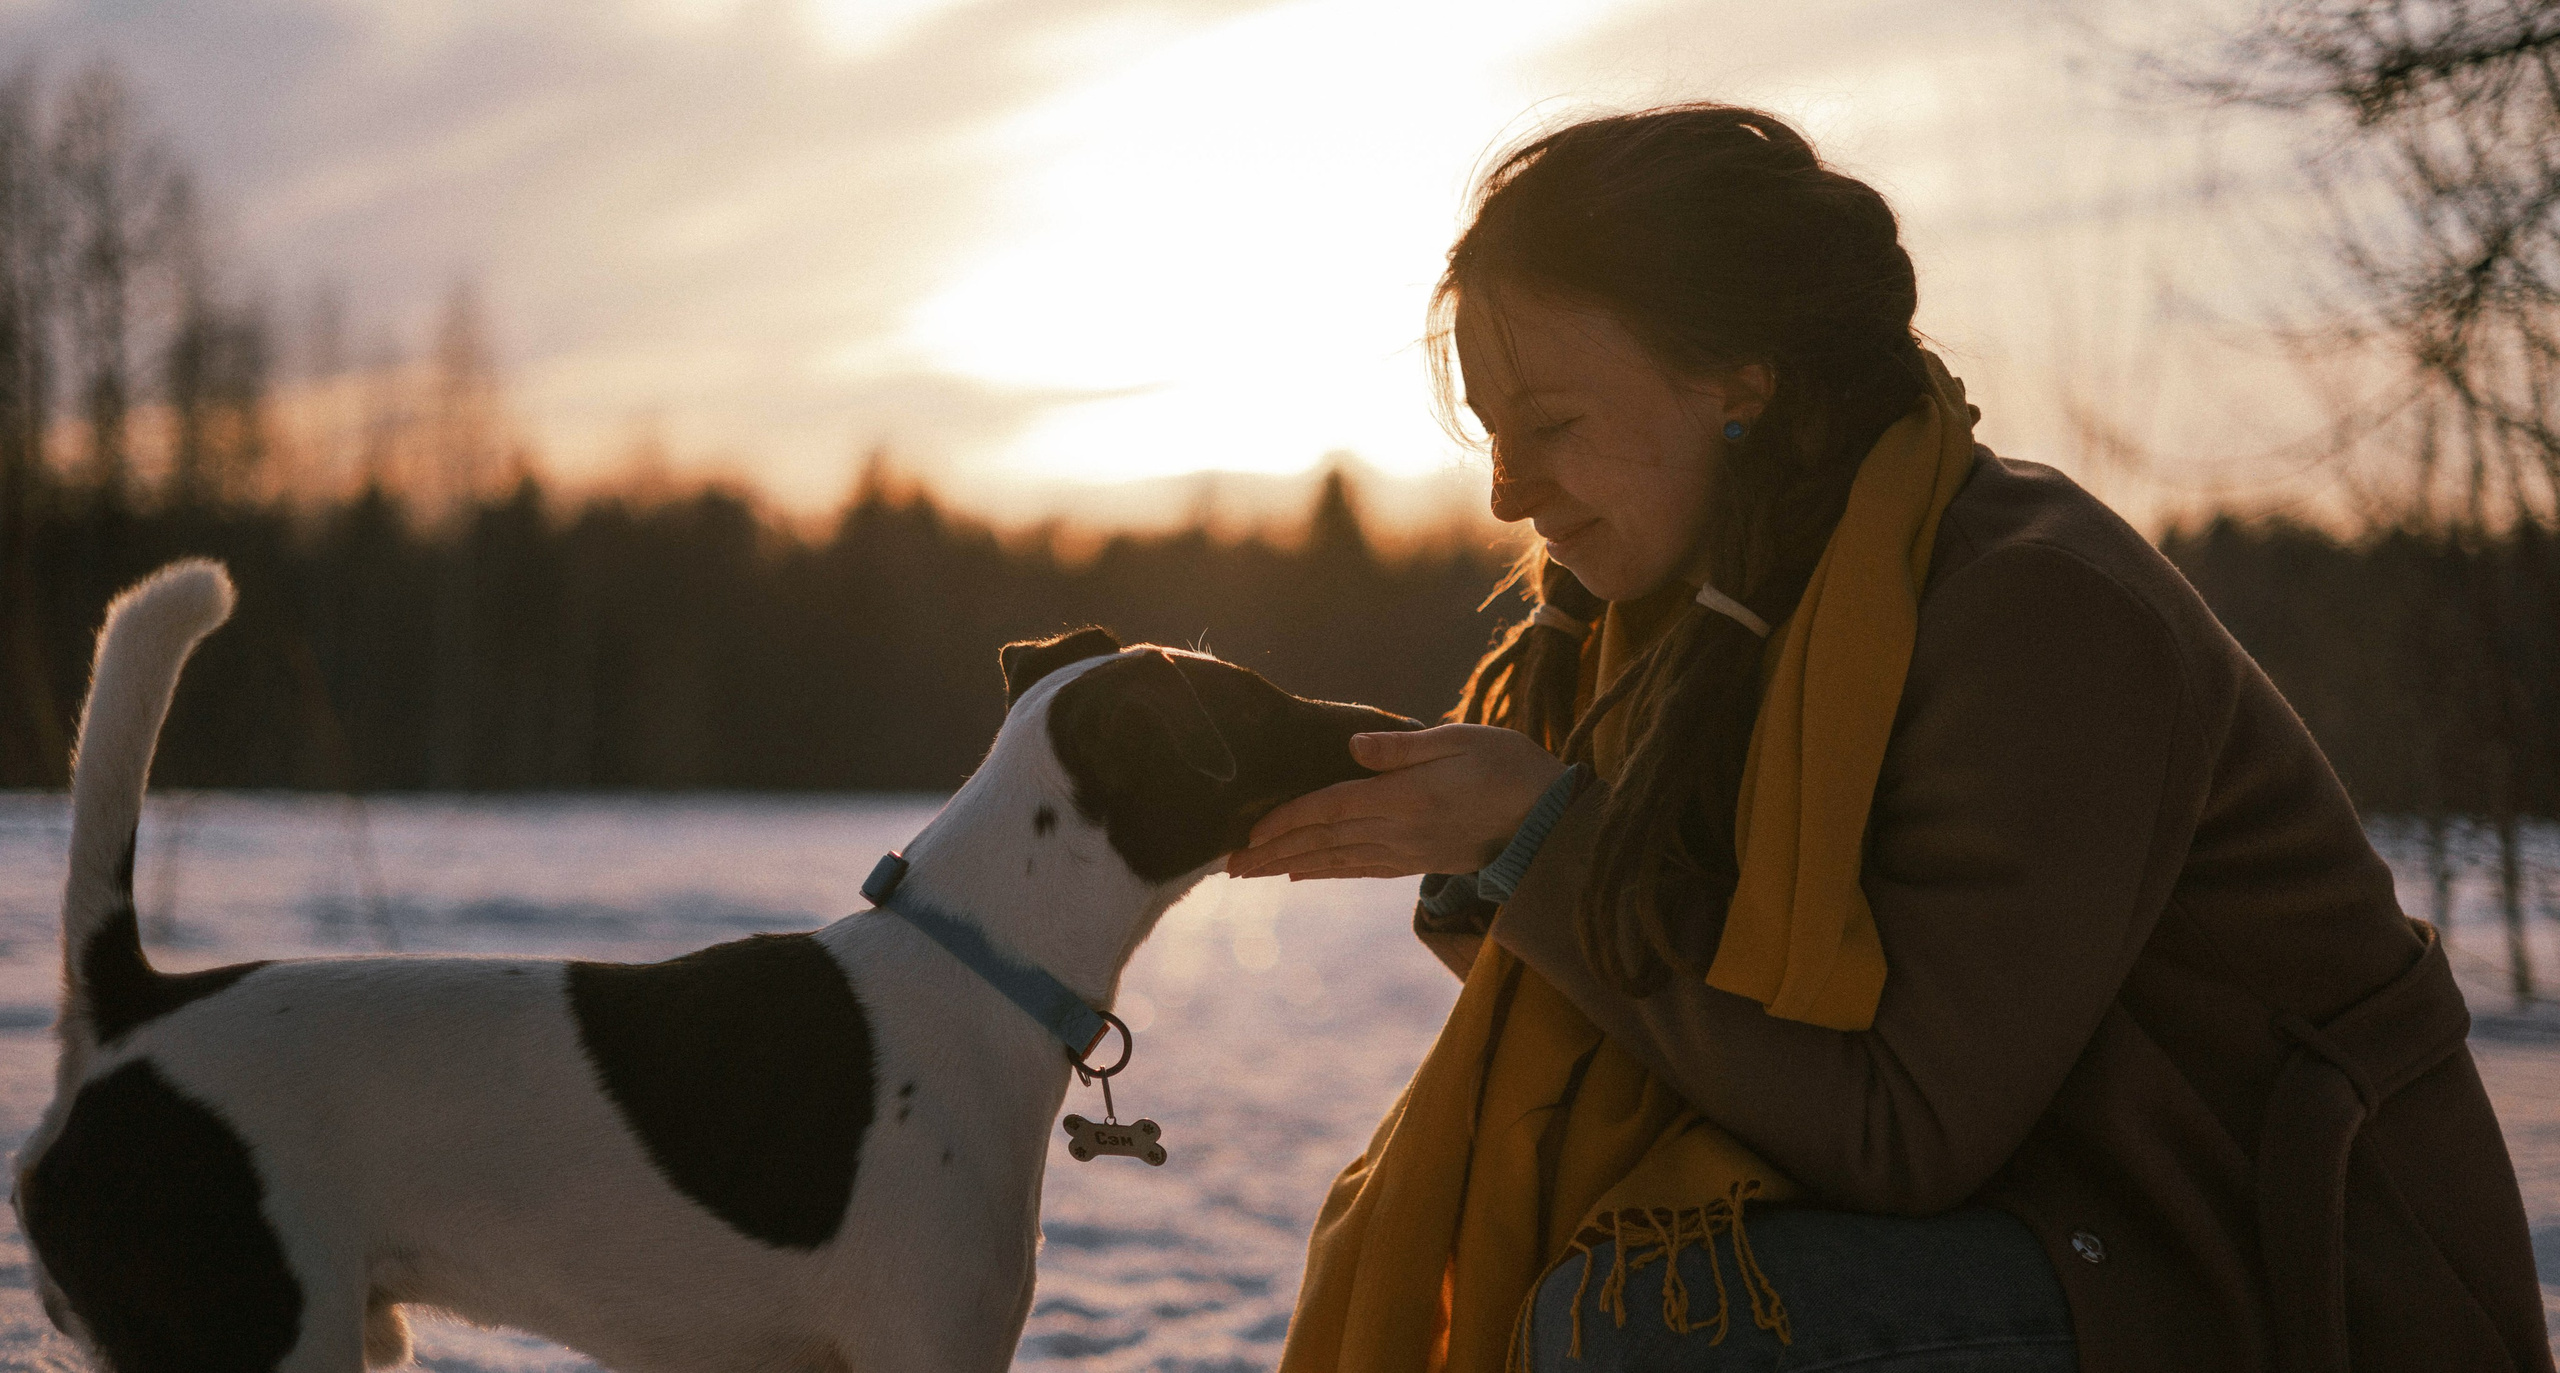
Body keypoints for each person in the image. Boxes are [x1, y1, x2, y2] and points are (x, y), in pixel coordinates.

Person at [1226, 104, 2550, 1373]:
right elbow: (1689, 1006)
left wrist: (1541, 846)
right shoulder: (1705, 623)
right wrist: (1482, 845)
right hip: (2045, 1217)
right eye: (1490, 435)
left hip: (2264, 1266)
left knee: (1649, 1325)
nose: (1508, 494)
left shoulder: (2032, 612)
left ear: (1741, 380)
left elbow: (1901, 1129)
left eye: (1554, 424)